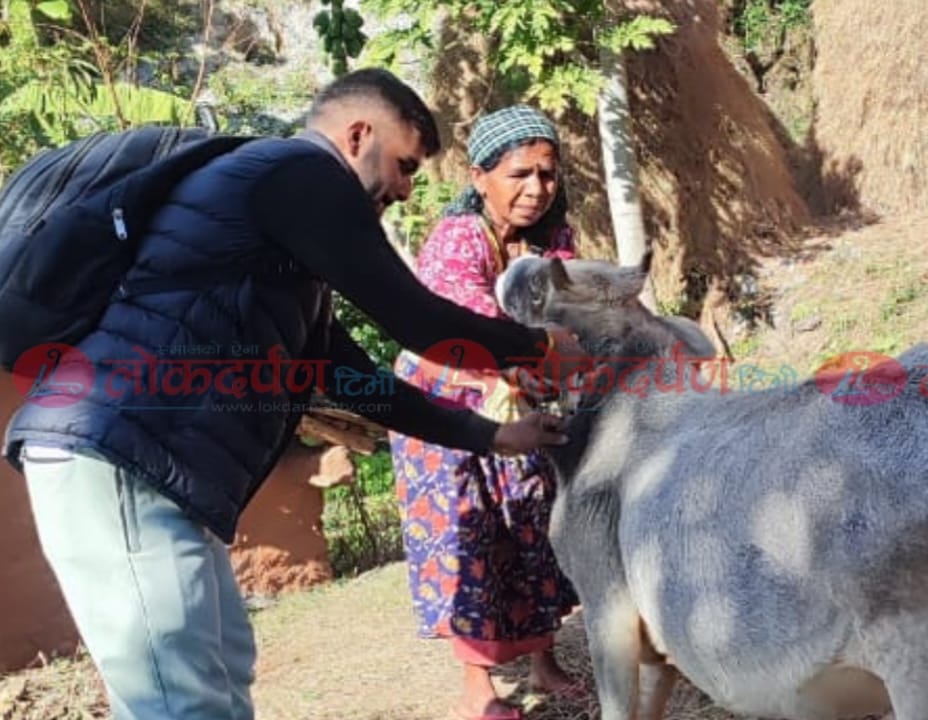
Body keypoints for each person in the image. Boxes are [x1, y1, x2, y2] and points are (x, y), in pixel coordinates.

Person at [4, 69, 585, 720]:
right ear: (357, 133)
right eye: (403, 163)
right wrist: (537, 347)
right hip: (115, 450)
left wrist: (491, 436)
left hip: (140, 461)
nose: (404, 187)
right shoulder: (293, 171)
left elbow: (350, 377)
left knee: (220, 675)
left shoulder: (277, 244)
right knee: (184, 703)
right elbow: (417, 321)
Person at [389, 105, 586, 720]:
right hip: (446, 408)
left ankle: (544, 662)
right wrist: (548, 361)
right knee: (469, 536)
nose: (536, 190)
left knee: (533, 523)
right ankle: (479, 692)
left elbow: (569, 313)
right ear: (480, 177)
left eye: (547, 175)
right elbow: (474, 331)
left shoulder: (553, 241)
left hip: (519, 394)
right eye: (519, 174)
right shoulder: (456, 240)